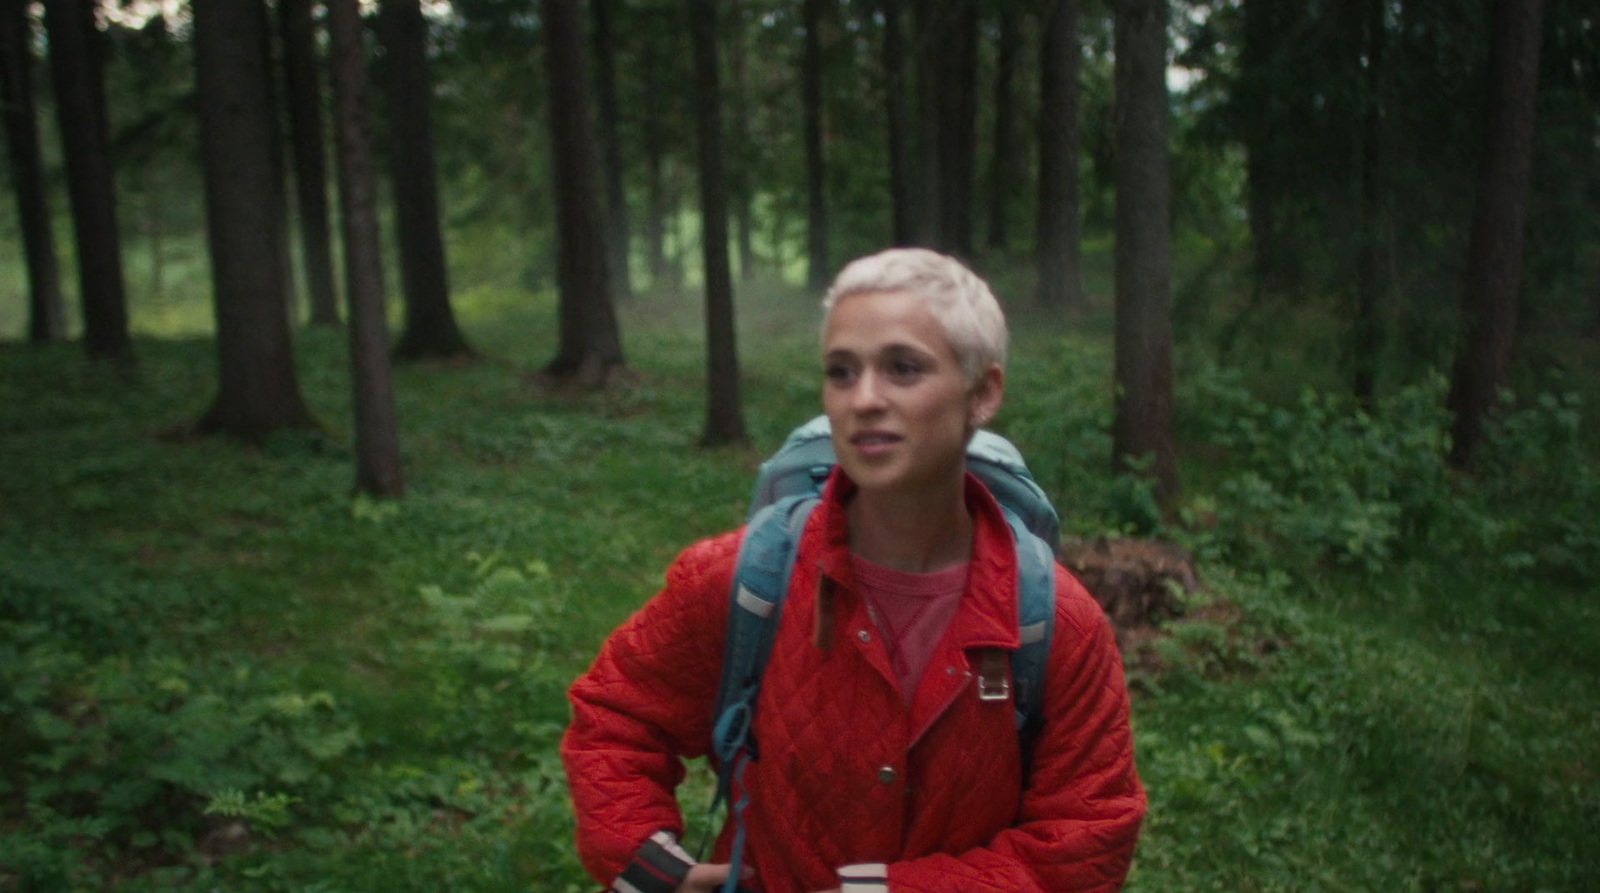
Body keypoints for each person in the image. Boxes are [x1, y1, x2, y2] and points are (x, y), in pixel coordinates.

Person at [562, 249, 1145, 893]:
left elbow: (1088, 835)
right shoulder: (747, 579)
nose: (864, 399)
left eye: (903, 368)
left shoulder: (1055, 621)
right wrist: (652, 864)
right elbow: (614, 719)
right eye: (842, 372)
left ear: (983, 393)